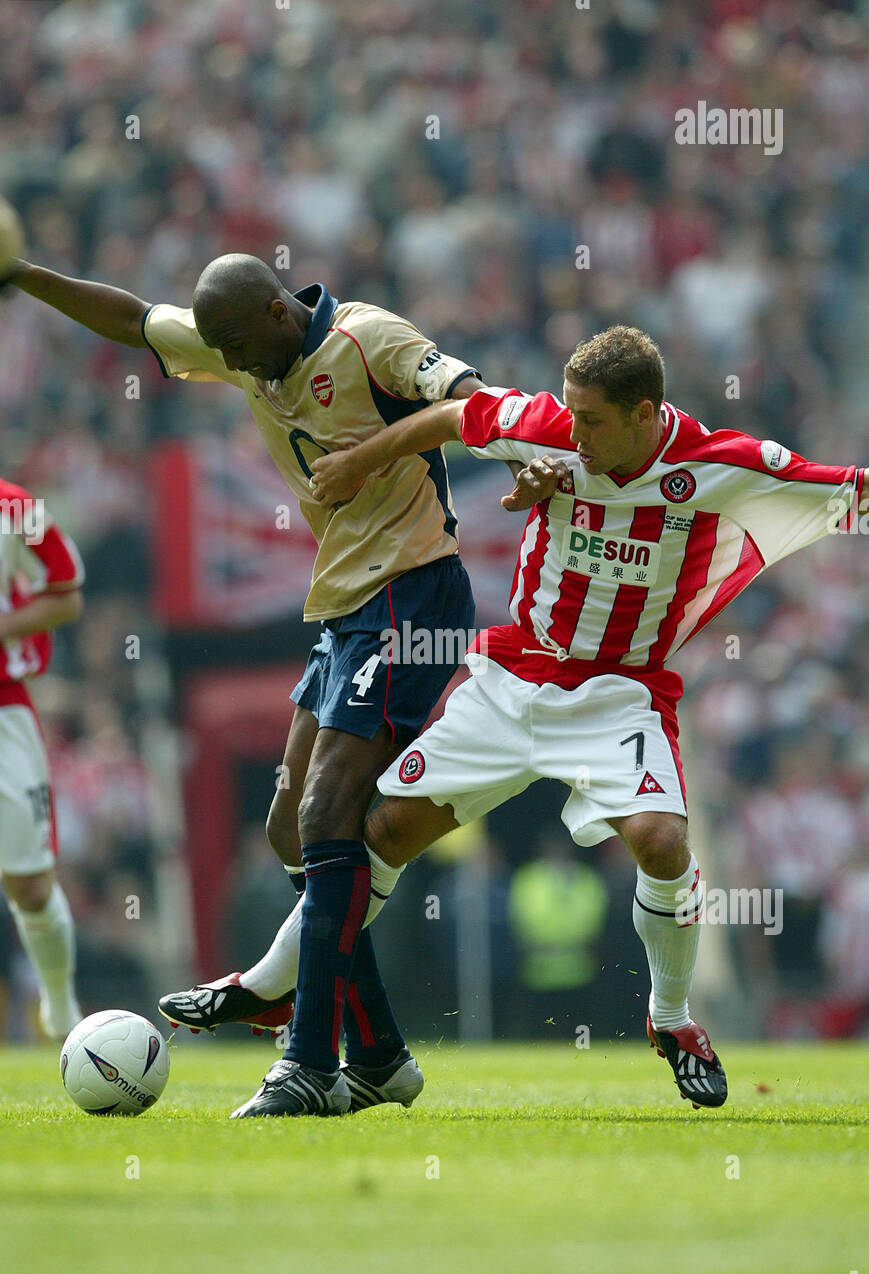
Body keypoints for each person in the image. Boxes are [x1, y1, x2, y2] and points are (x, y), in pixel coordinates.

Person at [237, 323, 866, 1110]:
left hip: (618, 692)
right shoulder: (548, 431)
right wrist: (356, 461)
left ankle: (670, 1018)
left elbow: (849, 490)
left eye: (593, 419)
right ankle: (286, 992)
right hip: (512, 678)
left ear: (644, 413)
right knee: (381, 834)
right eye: (569, 413)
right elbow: (446, 418)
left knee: (662, 841)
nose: (575, 432)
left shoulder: (716, 466)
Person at [8, 250, 493, 1116]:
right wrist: (22, 273)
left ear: (277, 313)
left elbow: (472, 403)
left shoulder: (367, 336)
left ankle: (308, 1060)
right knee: (287, 831)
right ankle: (380, 1056)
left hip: (414, 590)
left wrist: (369, 454)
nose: (229, 366)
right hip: (346, 601)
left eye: (236, 344)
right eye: (217, 349)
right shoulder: (240, 341)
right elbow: (130, 319)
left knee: (325, 815)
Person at [0, 477, 85, 1039]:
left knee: (29, 886)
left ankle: (59, 1004)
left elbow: (67, 593)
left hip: (4, 706)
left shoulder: (15, 509)